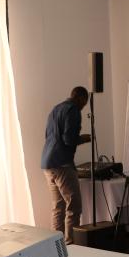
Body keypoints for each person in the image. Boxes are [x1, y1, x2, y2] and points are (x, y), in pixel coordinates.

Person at [41, 86, 91, 244]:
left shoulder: (56, 109)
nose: (83, 107)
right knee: (74, 207)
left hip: (47, 163)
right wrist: (84, 138)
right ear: (81, 98)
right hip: (62, 164)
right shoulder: (73, 110)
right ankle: (71, 245)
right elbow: (69, 139)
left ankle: (56, 246)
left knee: (58, 207)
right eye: (85, 103)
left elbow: (47, 135)